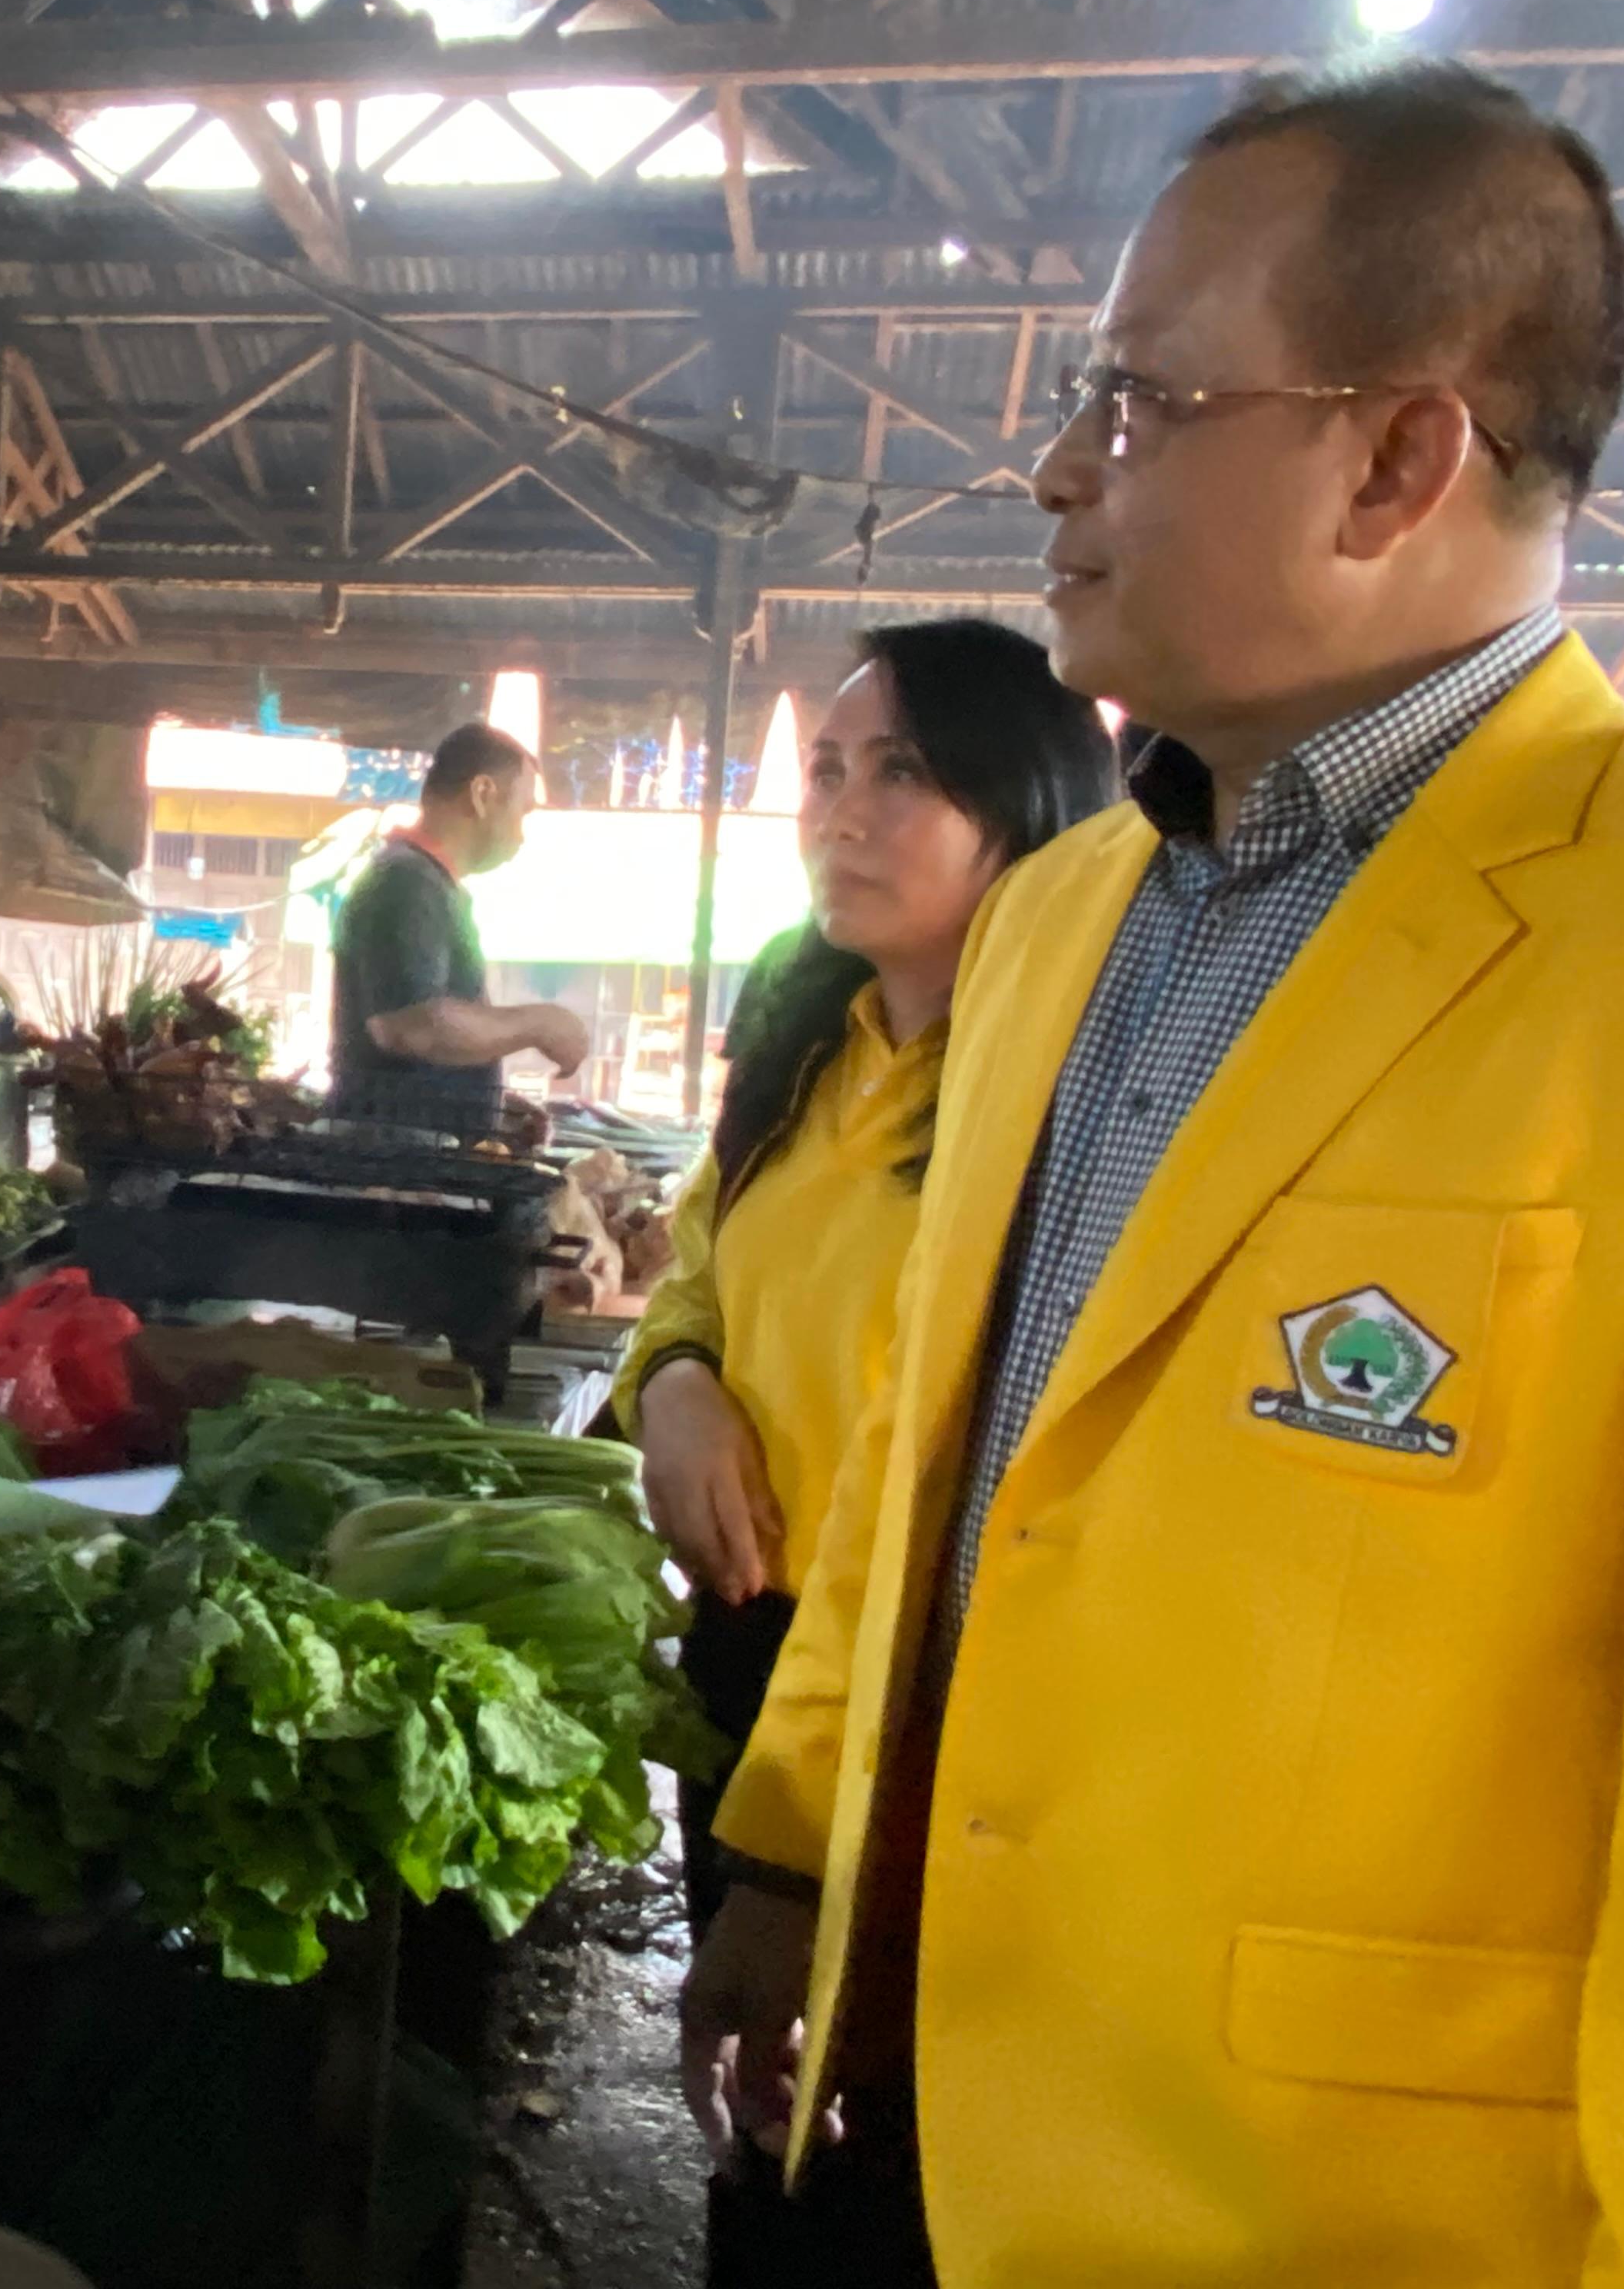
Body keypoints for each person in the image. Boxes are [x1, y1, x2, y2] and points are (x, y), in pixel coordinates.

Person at [683, 60, 1624, 2284]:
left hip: (1328, 2215)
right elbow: (941, 1460)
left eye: (1138, 402)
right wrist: (794, 1845)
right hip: (914, 2113)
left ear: (1400, 458)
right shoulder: (1059, 919)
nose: (1059, 467)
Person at [614, 621, 1110, 2282]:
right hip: (749, 1652)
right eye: (828, 768)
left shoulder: (1072, 1082)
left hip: (933, 1701)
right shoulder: (806, 1016)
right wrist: (676, 1384)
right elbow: (698, 1257)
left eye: (901, 771)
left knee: (884, 2147)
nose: (840, 810)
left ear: (1022, 803)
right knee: (752, 2108)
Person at [327, 721, 587, 1136]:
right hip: (395, 1162)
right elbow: (411, 1027)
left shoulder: (427, 883)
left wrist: (489, 1103)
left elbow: (430, 1042)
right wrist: (539, 1023)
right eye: (523, 812)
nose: (522, 836)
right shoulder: (406, 882)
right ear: (482, 794)